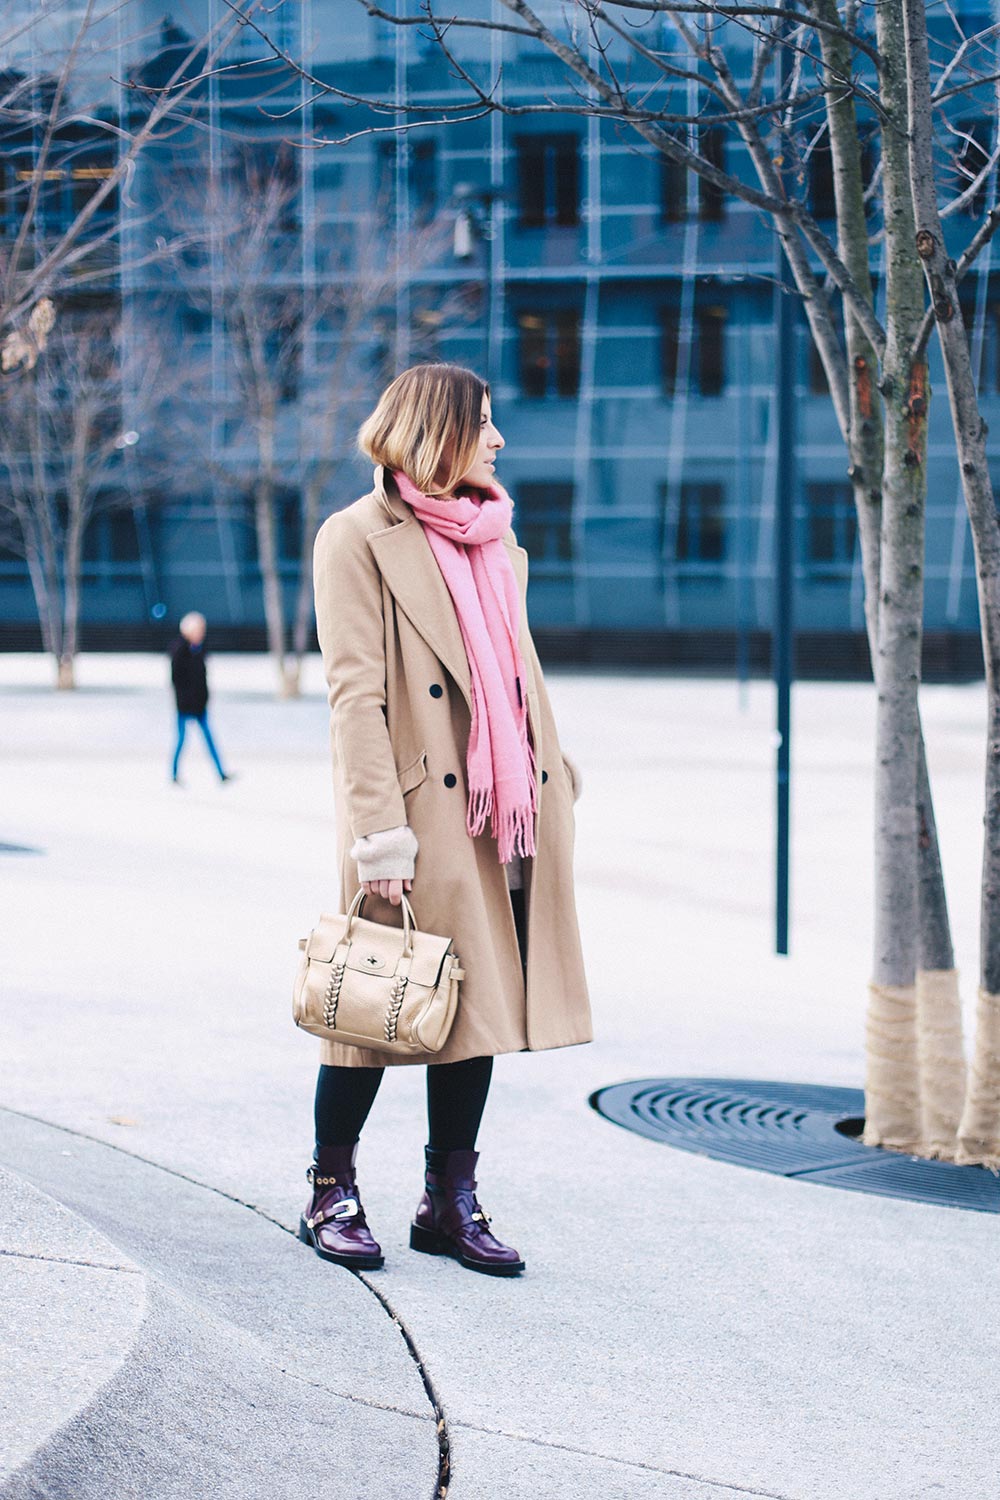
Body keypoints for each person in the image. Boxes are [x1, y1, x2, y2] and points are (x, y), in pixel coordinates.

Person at [302, 362, 592, 1279]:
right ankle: (331, 1188)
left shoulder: (497, 543)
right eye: (486, 423)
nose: (499, 440)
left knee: (479, 1006)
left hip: (503, 812)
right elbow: (356, 698)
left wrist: (558, 781)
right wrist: (379, 837)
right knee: (374, 1002)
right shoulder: (355, 539)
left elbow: (519, 678)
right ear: (438, 430)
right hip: (421, 815)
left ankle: (447, 1199)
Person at [169, 611, 232, 785]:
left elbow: (202, 678)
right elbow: (177, 679)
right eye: (198, 629)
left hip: (199, 704)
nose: (201, 633)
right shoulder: (180, 649)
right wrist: (185, 700)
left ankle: (220, 772)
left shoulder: (200, 648)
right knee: (181, 739)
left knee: (209, 739)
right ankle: (173, 773)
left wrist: (204, 698)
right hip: (185, 705)